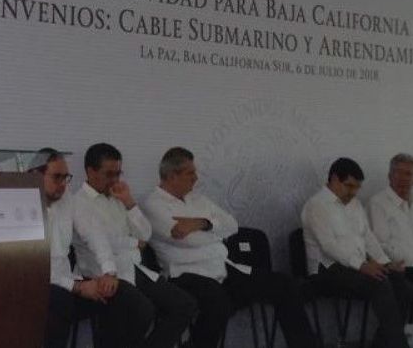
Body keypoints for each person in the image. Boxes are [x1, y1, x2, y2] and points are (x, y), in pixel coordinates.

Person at [142, 146, 317, 348]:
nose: (196, 178)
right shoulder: (153, 204)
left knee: (283, 284)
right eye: (190, 173)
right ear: (172, 176)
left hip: (222, 268)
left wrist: (202, 223)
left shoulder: (197, 199)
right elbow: (186, 239)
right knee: (219, 302)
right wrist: (214, 233)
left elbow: (232, 225)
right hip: (185, 274)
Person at [71, 143, 197, 348]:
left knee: (184, 305)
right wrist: (133, 243)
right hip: (99, 273)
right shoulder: (79, 203)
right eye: (109, 174)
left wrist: (129, 202)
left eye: (118, 173)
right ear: (90, 172)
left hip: (132, 267)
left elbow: (145, 234)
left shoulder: (117, 196)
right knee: (142, 311)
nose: (115, 179)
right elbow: (100, 240)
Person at [31, 148, 153, 348]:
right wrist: (77, 287)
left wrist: (109, 272)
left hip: (68, 283)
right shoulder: (23, 206)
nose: (63, 184)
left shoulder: (67, 199)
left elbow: (94, 234)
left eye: (66, 177)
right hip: (40, 286)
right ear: (36, 175)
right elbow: (34, 268)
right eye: (56, 177)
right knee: (59, 304)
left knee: (129, 302)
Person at [302, 157, 413, 348]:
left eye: (357, 188)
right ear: (334, 179)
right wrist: (361, 265)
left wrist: (385, 262)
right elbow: (328, 246)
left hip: (355, 266)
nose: (353, 192)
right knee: (380, 284)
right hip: (326, 270)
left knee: (404, 286)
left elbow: (367, 236)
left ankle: (382, 344)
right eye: (349, 186)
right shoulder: (316, 205)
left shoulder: (355, 204)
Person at [369, 153, 413, 328]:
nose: (402, 178)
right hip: (400, 268)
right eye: (397, 172)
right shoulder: (378, 203)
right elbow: (381, 244)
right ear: (389, 176)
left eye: (408, 174)